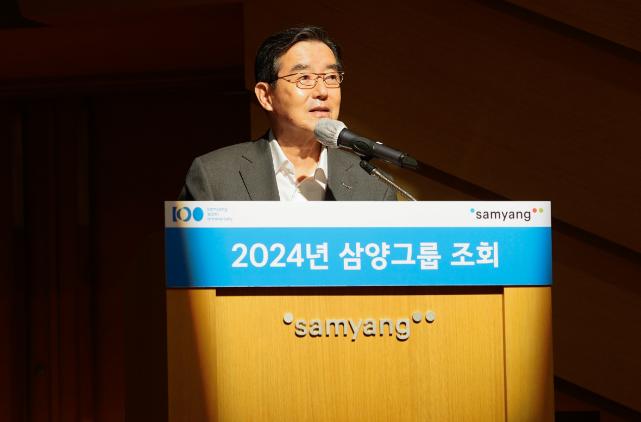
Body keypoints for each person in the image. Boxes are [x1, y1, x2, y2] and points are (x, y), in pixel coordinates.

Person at [179, 26, 396, 201]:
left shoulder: (374, 184)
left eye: (331, 77)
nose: (322, 92)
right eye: (304, 78)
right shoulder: (214, 175)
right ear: (266, 96)